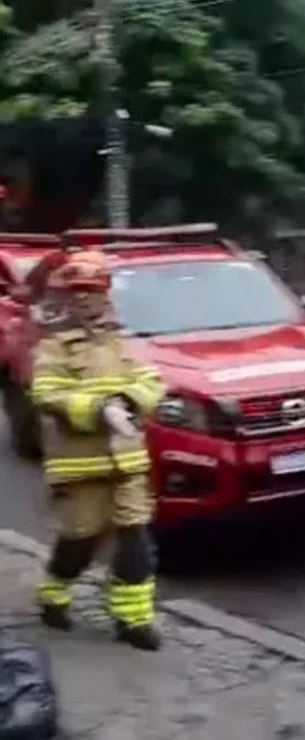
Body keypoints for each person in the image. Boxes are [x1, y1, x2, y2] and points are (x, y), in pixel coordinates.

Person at [30, 249, 165, 651]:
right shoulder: (54, 348)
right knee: (79, 540)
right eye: (78, 292)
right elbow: (46, 393)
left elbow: (152, 380)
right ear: (66, 297)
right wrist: (98, 408)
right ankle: (54, 594)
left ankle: (133, 620)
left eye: (92, 290)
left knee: (135, 541)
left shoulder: (122, 341)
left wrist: (127, 401)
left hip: (127, 463)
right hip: (80, 466)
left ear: (106, 294)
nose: (85, 299)